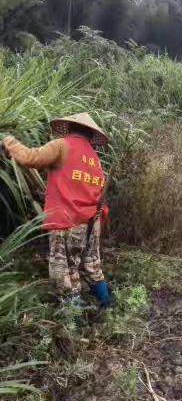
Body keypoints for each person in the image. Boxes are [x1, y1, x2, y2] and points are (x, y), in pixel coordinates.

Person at [0, 112, 112, 309]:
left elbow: (30, 158)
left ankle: (74, 328)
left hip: (68, 222)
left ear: (68, 128)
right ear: (89, 134)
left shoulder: (62, 145)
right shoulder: (94, 158)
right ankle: (108, 308)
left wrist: (9, 141)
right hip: (92, 222)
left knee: (65, 276)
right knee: (92, 266)